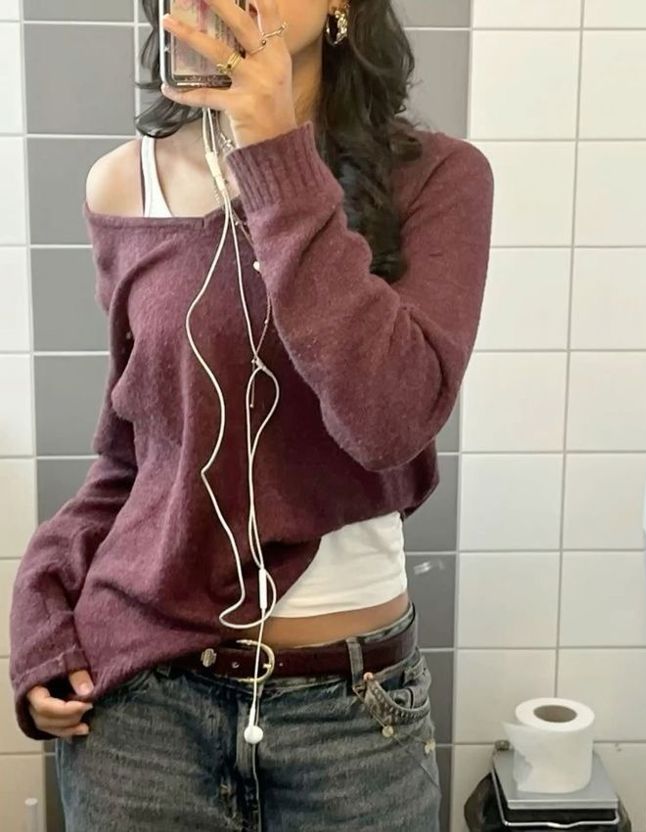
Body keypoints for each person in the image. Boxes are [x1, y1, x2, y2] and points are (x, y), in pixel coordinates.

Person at [9, 0, 493, 829]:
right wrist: (42, 605)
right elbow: (138, 457)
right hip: (144, 711)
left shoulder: (439, 177)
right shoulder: (125, 182)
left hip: (354, 718)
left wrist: (276, 159)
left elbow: (390, 420)